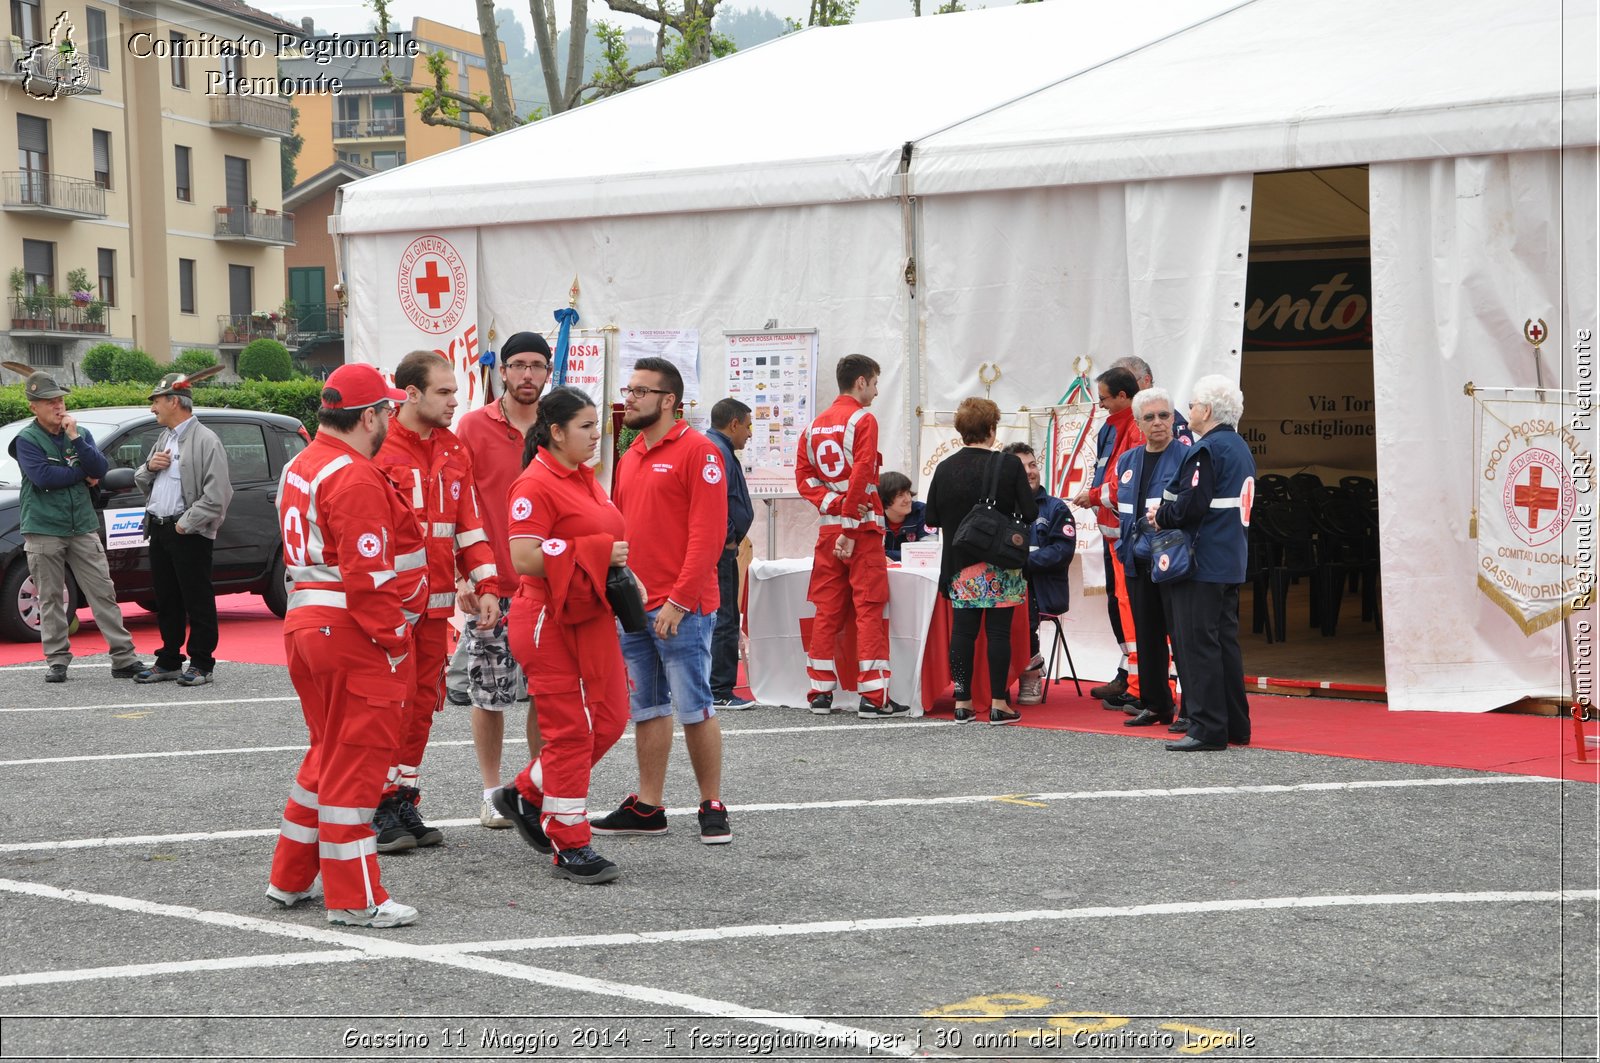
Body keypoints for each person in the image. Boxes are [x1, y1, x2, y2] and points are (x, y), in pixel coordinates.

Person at [266, 363, 428, 928]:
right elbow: (371, 578)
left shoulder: (300, 463)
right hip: (353, 631)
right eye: (385, 410)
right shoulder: (354, 475)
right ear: (367, 417)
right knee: (356, 765)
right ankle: (356, 899)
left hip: (307, 622)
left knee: (327, 751)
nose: (390, 418)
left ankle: (289, 878)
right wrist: (396, 643)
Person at [491, 386, 632, 884]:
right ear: (555, 432)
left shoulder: (582, 476)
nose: (597, 436)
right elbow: (524, 557)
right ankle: (569, 838)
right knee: (570, 733)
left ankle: (527, 791)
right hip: (547, 618)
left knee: (612, 719)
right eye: (587, 427)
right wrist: (596, 549)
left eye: (598, 426)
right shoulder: (533, 485)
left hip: (589, 613)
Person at [594, 358, 733, 844]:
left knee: (695, 706)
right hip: (636, 605)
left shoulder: (700, 452)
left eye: (640, 391)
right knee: (648, 708)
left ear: (669, 400)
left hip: (682, 609)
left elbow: (709, 534)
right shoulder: (630, 454)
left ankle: (711, 805)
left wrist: (680, 599)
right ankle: (648, 807)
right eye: (629, 389)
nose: (628, 398)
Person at [372, 351, 500, 852]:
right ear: (411, 393)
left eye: (454, 392)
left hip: (433, 609)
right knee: (388, 704)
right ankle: (377, 802)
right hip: (386, 608)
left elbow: (468, 525)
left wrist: (486, 584)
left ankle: (403, 794)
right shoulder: (379, 447)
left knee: (423, 702)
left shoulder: (453, 449)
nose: (454, 402)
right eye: (444, 392)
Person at [446, 332, 549, 829]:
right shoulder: (471, 426)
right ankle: (491, 792)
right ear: (502, 372)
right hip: (493, 588)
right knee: (490, 696)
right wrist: (462, 574)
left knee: (546, 695)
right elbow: (454, 505)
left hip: (549, 587)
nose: (527, 375)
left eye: (537, 365)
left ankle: (535, 788)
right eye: (518, 365)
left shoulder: (559, 423)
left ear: (550, 372)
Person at [9, 371, 144, 684]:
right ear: (34, 408)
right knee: (51, 596)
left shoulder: (79, 432)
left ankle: (123, 657)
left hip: (81, 524)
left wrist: (75, 440)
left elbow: (99, 468)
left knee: (102, 591)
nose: (58, 406)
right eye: (49, 401)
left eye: (60, 399)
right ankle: (57, 660)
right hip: (43, 526)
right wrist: (80, 473)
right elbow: (44, 478)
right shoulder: (26, 441)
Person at [794, 354, 908, 718]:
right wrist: (850, 520)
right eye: (874, 383)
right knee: (868, 609)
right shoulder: (863, 419)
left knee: (827, 609)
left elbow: (803, 479)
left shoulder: (812, 427)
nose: (876, 391)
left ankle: (819, 692)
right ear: (860, 382)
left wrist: (835, 503)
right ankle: (874, 697)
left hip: (829, 530)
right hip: (860, 530)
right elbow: (863, 471)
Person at [1149, 375, 1255, 752]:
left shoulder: (1206, 449)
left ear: (1207, 411)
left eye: (1193, 404)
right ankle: (1234, 725)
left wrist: (1162, 516)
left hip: (1202, 560)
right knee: (1224, 642)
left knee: (1198, 644)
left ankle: (1208, 727)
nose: (1188, 411)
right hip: (1228, 559)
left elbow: (1194, 504)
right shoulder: (1239, 447)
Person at [923, 398, 1037, 725]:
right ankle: (1000, 703)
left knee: (963, 633)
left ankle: (962, 701)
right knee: (998, 634)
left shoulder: (944, 468)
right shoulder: (1008, 465)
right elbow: (1030, 512)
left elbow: (931, 517)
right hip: (1001, 562)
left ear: (962, 430)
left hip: (959, 564)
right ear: (991, 428)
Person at [132, 374, 233, 686]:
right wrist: (150, 468)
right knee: (167, 599)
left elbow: (218, 496)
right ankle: (169, 660)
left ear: (174, 402)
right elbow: (141, 477)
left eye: (156, 401)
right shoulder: (166, 438)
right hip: (160, 530)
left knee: (197, 599)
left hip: (187, 532)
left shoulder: (206, 441)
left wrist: (184, 524)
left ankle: (202, 662)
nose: (153, 408)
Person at [1112, 388, 1188, 728]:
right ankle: (1156, 703)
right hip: (1137, 562)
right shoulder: (1128, 461)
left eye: (1164, 415)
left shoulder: (1187, 457)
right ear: (1138, 424)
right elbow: (1121, 511)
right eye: (1149, 417)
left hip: (1171, 562)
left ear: (1173, 418)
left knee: (1182, 636)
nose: (1158, 423)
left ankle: (1191, 709)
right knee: (1148, 636)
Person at [1070, 366, 1144, 711]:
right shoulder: (1113, 427)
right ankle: (1131, 678)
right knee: (1121, 607)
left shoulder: (1135, 428)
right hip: (1113, 533)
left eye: (1103, 398)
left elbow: (1124, 480)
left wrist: (1095, 495)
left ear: (1122, 396)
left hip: (1126, 535)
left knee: (1131, 608)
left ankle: (1141, 682)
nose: (1099, 405)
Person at [1002, 442, 1075, 705]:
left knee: (1024, 594)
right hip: (1002, 587)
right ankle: (995, 678)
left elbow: (1062, 550)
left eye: (1032, 465)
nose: (1030, 471)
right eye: (1021, 467)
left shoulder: (1055, 508)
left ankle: (1030, 672)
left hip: (1040, 589)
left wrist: (1023, 562)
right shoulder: (996, 508)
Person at [707, 397, 756, 710]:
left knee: (722, 614)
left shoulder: (720, 449)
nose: (750, 434)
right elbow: (713, 500)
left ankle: (716, 685)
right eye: (748, 426)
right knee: (724, 616)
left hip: (724, 545)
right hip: (721, 549)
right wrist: (726, 538)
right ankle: (720, 688)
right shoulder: (716, 451)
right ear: (734, 423)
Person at [880, 471, 929, 561]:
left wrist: (883, 554)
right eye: (900, 495)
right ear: (884, 499)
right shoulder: (875, 517)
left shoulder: (922, 511)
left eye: (908, 493)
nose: (908, 499)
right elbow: (865, 551)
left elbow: (928, 551)